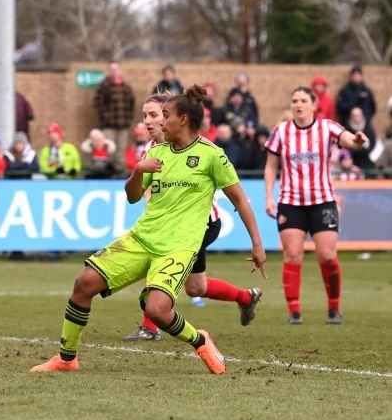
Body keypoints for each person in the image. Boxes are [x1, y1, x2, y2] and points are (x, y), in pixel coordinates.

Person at [31, 85, 266, 375]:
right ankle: (66, 359)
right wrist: (139, 170)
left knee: (157, 310)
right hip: (142, 238)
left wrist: (257, 244)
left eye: (163, 115)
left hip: (179, 247)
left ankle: (200, 340)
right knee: (84, 284)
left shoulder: (211, 156)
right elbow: (132, 196)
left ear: (183, 120)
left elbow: (240, 200)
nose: (154, 122)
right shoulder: (155, 151)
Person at [122, 93, 263, 343]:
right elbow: (144, 195)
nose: (150, 121)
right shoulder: (150, 151)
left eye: (156, 115)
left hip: (202, 223)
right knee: (196, 287)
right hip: (171, 225)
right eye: (145, 116)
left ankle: (150, 327)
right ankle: (245, 297)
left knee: (156, 259)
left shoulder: (199, 149)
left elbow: (230, 189)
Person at [265, 86, 369, 325]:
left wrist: (358, 141)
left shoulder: (327, 127)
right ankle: (294, 311)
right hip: (291, 202)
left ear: (313, 105)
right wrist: (269, 196)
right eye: (294, 100)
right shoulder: (281, 131)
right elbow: (271, 166)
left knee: (327, 255)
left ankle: (334, 308)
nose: (298, 105)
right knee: (292, 255)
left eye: (303, 100)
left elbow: (350, 141)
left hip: (322, 200)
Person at [92, 61, 135, 153]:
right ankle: (109, 167)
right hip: (108, 125)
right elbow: (97, 102)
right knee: (110, 149)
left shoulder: (126, 86)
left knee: (121, 149)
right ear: (109, 71)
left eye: (116, 69)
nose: (114, 71)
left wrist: (129, 119)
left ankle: (120, 167)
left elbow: (131, 103)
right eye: (112, 69)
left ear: (120, 70)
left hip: (123, 124)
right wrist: (106, 116)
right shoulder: (104, 85)